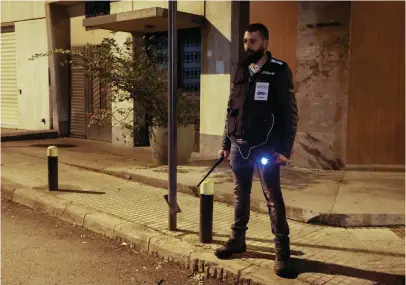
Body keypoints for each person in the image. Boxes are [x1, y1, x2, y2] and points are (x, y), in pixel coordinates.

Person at [215, 23, 299, 276]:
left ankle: (282, 251)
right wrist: (225, 144)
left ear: (265, 43)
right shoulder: (242, 69)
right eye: (245, 41)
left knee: (273, 197)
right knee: (241, 195)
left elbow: (290, 114)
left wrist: (285, 149)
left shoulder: (279, 70)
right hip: (240, 146)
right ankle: (238, 240)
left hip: (267, 149)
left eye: (252, 41)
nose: (247, 46)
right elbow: (231, 108)